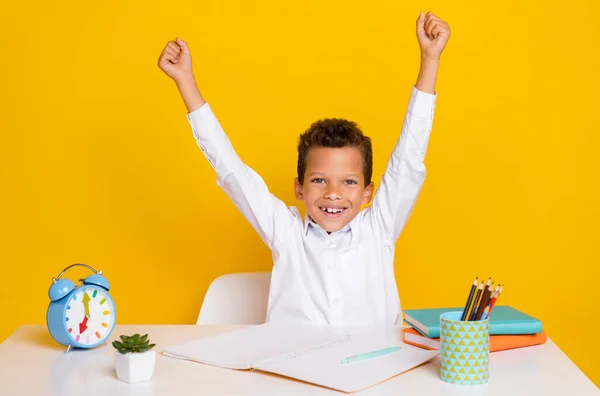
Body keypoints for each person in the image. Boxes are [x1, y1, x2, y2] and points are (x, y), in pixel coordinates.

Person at [158, 11, 450, 326]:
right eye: (320, 180)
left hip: (373, 372)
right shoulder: (285, 231)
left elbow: (409, 158)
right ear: (299, 188)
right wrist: (185, 81)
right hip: (288, 370)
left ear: (368, 193)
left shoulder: (379, 229)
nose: (334, 193)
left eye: (349, 182)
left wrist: (429, 60)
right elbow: (232, 171)